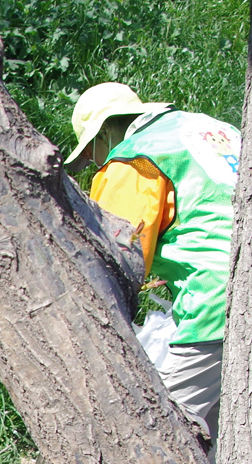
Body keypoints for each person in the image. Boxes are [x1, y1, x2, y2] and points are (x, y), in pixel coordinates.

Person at [65, 81, 240, 442]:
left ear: (105, 133)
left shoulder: (134, 157)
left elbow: (116, 259)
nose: (94, 164)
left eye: (91, 155)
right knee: (229, 435)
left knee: (164, 438)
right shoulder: (212, 129)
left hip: (213, 301)